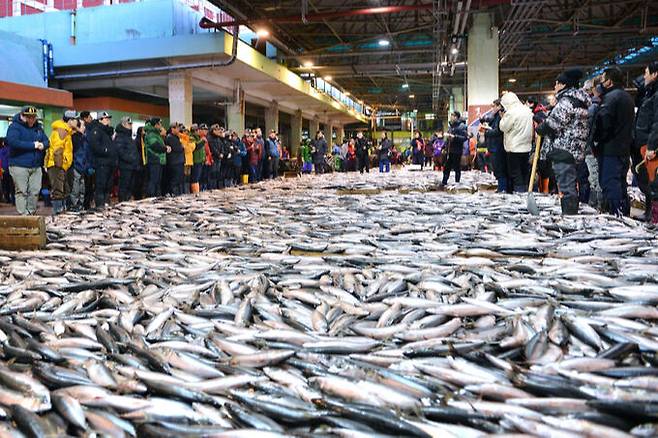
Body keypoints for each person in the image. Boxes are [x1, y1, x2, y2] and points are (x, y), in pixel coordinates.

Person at [536, 69, 591, 215]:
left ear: (563, 84)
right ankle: (571, 213)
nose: (554, 86)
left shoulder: (567, 101)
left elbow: (554, 123)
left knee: (566, 186)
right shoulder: (580, 101)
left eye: (556, 83)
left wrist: (542, 127)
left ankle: (570, 217)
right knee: (570, 184)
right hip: (576, 149)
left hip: (565, 149)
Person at [593, 67, 635, 216]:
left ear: (609, 81)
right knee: (621, 183)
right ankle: (624, 214)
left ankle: (615, 216)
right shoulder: (627, 97)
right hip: (624, 148)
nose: (601, 83)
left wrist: (597, 140)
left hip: (610, 149)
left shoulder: (610, 98)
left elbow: (604, 124)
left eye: (603, 80)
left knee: (610, 183)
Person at [5, 106, 49, 215]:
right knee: (21, 191)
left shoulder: (38, 128)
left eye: (33, 117)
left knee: (34, 191)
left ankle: (30, 214)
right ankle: (23, 216)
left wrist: (43, 145)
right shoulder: (14, 127)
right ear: (22, 116)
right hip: (19, 165)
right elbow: (13, 142)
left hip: (36, 165)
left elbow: (47, 141)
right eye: (28, 117)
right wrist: (33, 145)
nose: (31, 119)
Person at [633, 61, 658, 222]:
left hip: (651, 147)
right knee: (649, 183)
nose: (644, 76)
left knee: (655, 184)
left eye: (646, 72)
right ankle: (650, 214)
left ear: (655, 74)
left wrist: (652, 145)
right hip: (643, 145)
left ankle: (655, 219)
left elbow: (657, 121)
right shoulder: (650, 93)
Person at [499, 92, 533, 193]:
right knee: (523, 173)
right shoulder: (527, 110)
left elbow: (503, 127)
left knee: (516, 174)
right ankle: (526, 193)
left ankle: (519, 195)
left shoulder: (511, 112)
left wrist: (503, 118)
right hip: (526, 147)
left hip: (514, 148)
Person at [46, 110, 77, 214]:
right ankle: (58, 213)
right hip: (57, 165)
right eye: (75, 119)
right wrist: (61, 166)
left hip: (61, 165)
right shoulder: (61, 131)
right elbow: (57, 150)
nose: (77, 122)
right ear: (70, 120)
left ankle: (61, 211)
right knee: (58, 190)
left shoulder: (66, 130)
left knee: (64, 189)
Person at [88, 111, 116, 209]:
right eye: (106, 118)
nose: (108, 120)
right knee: (101, 185)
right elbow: (95, 146)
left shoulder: (107, 132)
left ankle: (106, 203)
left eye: (109, 118)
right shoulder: (96, 131)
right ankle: (100, 205)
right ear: (100, 119)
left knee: (108, 185)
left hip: (109, 163)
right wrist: (106, 150)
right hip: (101, 163)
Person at [584, 78, 604, 209]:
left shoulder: (593, 107)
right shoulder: (602, 104)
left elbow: (589, 129)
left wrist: (587, 145)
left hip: (592, 148)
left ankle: (596, 206)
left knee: (594, 179)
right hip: (598, 147)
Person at [482, 101, 509, 192]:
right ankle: (501, 187)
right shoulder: (495, 117)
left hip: (498, 147)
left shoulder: (500, 117)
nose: (492, 108)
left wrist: (487, 131)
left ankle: (502, 188)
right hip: (493, 147)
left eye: (493, 106)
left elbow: (498, 131)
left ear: (499, 106)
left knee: (500, 169)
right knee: (496, 169)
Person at [115, 116, 140, 203]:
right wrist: (131, 159)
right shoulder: (120, 136)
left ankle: (127, 201)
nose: (131, 126)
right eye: (129, 124)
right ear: (123, 124)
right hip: (125, 166)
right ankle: (122, 203)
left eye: (131, 124)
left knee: (130, 186)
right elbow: (121, 152)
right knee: (124, 186)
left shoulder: (128, 136)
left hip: (132, 166)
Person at [144, 118, 169, 198]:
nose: (161, 126)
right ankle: (151, 197)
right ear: (155, 125)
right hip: (154, 159)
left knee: (158, 181)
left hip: (159, 160)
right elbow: (155, 146)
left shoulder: (156, 134)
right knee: (153, 181)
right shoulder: (151, 134)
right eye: (159, 124)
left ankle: (157, 197)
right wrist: (165, 148)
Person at [442, 112, 468, 186]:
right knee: (447, 167)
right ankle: (444, 182)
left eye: (452, 116)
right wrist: (444, 147)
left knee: (457, 167)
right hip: (449, 150)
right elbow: (448, 138)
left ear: (456, 117)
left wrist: (455, 137)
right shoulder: (451, 126)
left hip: (457, 150)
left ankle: (457, 182)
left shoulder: (462, 126)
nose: (451, 117)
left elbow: (464, 137)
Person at [70, 119, 91, 211]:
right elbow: (77, 153)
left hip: (83, 167)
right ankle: (75, 206)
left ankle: (81, 205)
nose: (84, 128)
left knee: (82, 187)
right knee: (76, 188)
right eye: (83, 126)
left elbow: (86, 153)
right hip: (76, 166)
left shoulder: (83, 138)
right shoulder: (74, 138)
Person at [79, 111, 96, 209]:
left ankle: (87, 205)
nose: (91, 118)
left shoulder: (89, 130)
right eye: (90, 117)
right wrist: (88, 165)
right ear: (85, 118)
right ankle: (85, 206)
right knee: (85, 187)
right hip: (84, 164)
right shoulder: (84, 131)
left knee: (89, 187)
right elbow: (85, 150)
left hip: (88, 163)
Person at [165, 123, 185, 196]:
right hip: (174, 162)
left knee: (178, 179)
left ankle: (177, 193)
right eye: (176, 128)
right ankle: (173, 193)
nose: (178, 129)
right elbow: (177, 148)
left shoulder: (176, 137)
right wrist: (182, 147)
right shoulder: (170, 137)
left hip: (178, 161)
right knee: (174, 180)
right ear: (172, 129)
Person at [190, 124, 206, 194]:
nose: (198, 131)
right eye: (197, 130)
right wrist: (202, 141)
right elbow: (195, 147)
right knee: (195, 178)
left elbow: (202, 150)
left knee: (198, 177)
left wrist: (204, 158)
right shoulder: (191, 138)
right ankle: (195, 192)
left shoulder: (199, 138)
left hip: (200, 160)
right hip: (195, 160)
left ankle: (197, 191)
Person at [207, 125, 224, 190]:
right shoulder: (210, 138)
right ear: (213, 130)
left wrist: (222, 153)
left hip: (218, 158)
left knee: (217, 173)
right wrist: (218, 154)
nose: (218, 131)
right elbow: (212, 148)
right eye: (217, 130)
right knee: (212, 173)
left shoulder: (218, 138)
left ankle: (215, 187)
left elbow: (221, 146)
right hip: (213, 158)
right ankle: (211, 187)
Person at [199, 124, 212, 191]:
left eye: (206, 130)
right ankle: (202, 189)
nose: (206, 131)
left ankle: (205, 188)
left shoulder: (205, 138)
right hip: (203, 160)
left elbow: (208, 150)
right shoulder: (200, 138)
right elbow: (203, 151)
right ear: (200, 130)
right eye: (204, 129)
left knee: (206, 176)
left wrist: (210, 159)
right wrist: (205, 159)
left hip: (207, 160)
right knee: (202, 176)